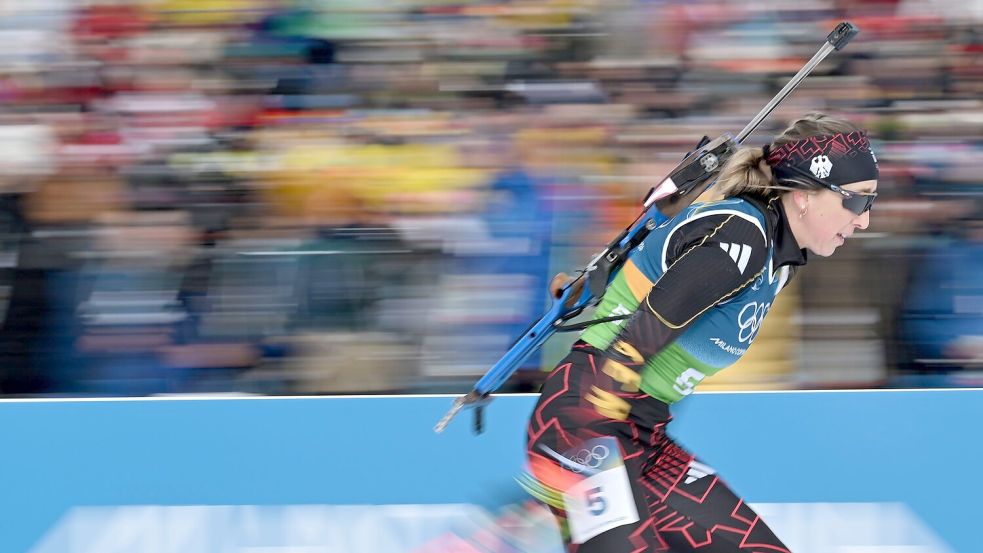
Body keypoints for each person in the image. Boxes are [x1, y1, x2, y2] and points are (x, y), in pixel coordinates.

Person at [525, 113, 879, 552]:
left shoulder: (774, 260)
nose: (864, 220)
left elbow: (654, 252)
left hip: (642, 435)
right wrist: (578, 450)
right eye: (858, 201)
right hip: (588, 420)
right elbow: (644, 331)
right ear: (806, 194)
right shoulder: (744, 237)